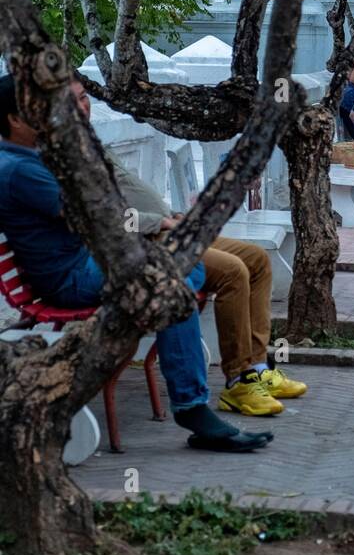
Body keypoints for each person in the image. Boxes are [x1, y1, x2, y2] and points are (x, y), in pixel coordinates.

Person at [0, 75, 269, 453]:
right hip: (71, 279)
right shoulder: (19, 169)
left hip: (91, 261)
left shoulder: (37, 155)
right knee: (170, 282)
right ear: (15, 118)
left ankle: (197, 397)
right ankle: (192, 407)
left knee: (181, 272)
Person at [68, 79, 307, 416]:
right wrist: (161, 223)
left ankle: (256, 367)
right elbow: (102, 219)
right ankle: (238, 382)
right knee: (233, 272)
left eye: (83, 98)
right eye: (71, 103)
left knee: (256, 259)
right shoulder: (67, 158)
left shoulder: (91, 143)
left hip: (166, 226)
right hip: (143, 241)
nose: (83, 107)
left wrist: (170, 215)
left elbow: (130, 193)